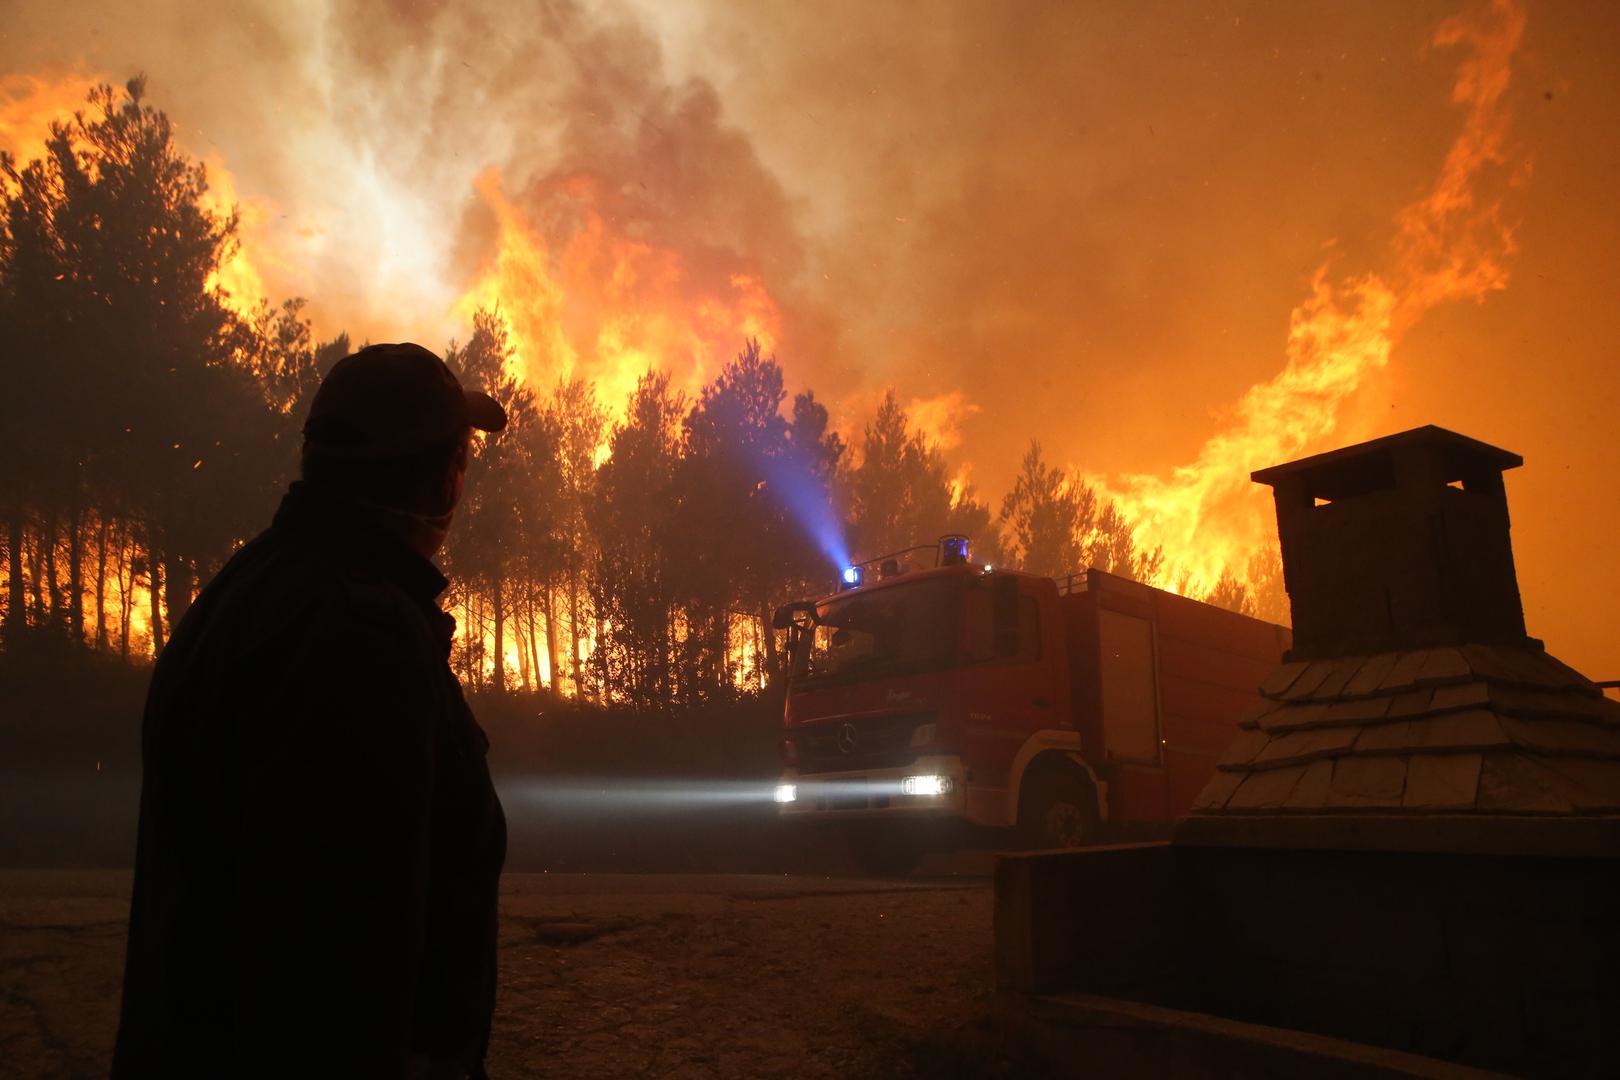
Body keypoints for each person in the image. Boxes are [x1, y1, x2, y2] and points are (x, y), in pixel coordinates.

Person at [112, 343, 509, 1080]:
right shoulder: (361, 636)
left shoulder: (246, 590)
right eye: (461, 460)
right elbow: (338, 953)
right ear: (445, 481)